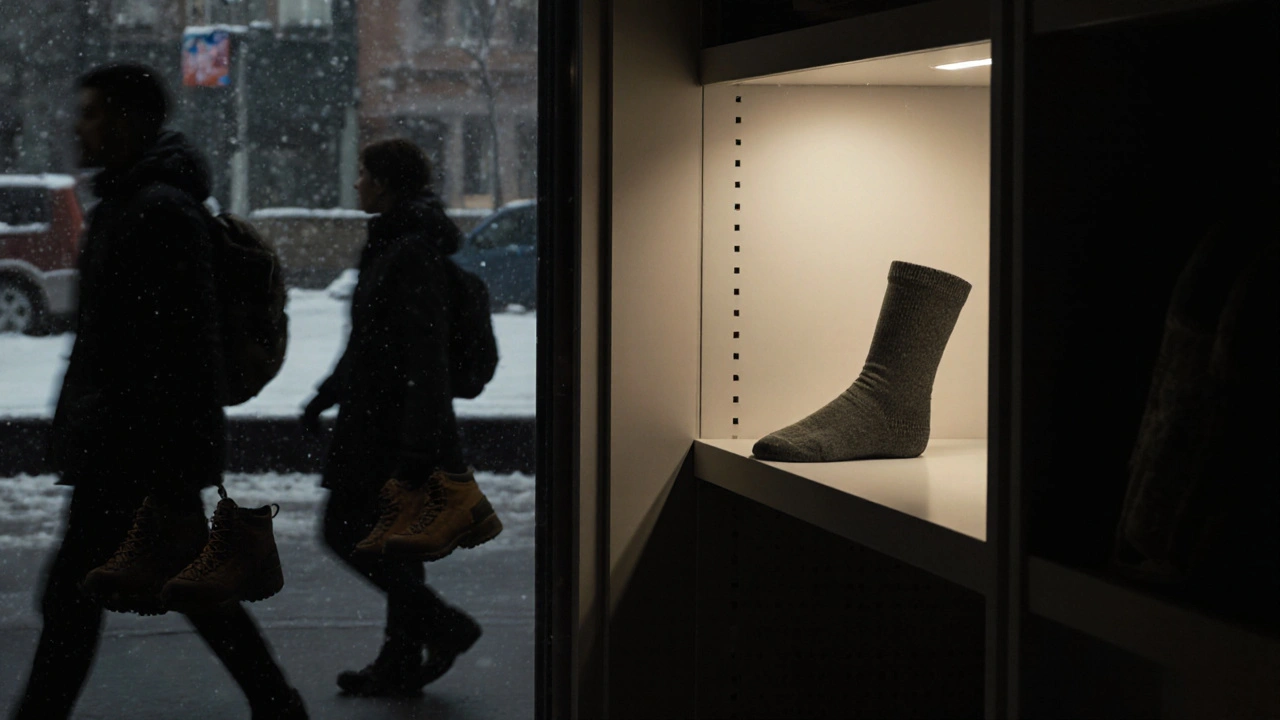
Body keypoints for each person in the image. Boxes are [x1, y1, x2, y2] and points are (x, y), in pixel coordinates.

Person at [9, 63, 306, 720]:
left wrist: (169, 470)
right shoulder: (133, 204)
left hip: (133, 448)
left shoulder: (157, 212)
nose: (78, 127)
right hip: (130, 443)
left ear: (128, 121)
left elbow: (180, 353)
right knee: (186, 589)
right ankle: (278, 704)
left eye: (91, 113)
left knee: (74, 599)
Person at [301, 138, 501, 696]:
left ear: (385, 183)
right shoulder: (393, 243)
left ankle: (444, 626)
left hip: (390, 428)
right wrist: (324, 394)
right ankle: (400, 659)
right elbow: (369, 341)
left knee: (345, 531)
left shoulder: (408, 252)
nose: (357, 183)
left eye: (364, 174)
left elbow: (423, 356)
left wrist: (416, 446)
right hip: (381, 419)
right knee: (395, 543)